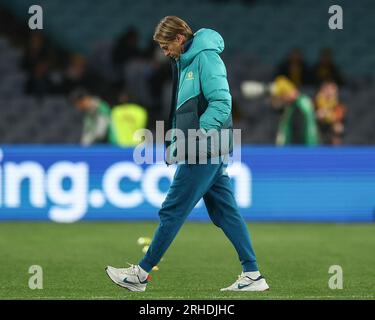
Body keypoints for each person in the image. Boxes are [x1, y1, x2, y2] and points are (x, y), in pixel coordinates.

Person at [105, 16, 269, 292]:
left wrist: (195, 135)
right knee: (225, 212)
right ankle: (252, 274)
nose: (164, 52)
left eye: (165, 45)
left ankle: (140, 274)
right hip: (205, 148)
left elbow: (222, 102)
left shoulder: (205, 58)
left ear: (180, 38)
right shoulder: (187, 61)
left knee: (172, 210)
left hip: (204, 149)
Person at [270, 76, 320, 145]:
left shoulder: (299, 105)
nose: (282, 99)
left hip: (301, 147)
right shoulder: (297, 103)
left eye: (282, 96)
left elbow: (301, 129)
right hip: (303, 146)